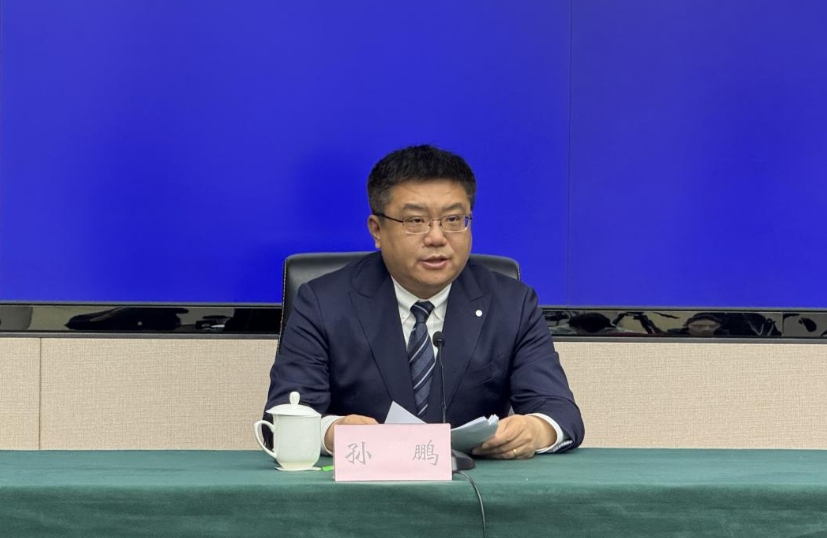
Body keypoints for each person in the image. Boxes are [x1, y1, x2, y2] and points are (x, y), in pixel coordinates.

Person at [264, 144, 584, 459]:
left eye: (453, 219)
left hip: (474, 485)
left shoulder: (512, 304)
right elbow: (283, 416)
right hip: (361, 483)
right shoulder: (323, 302)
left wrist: (534, 429)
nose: (436, 237)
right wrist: (334, 433)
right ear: (377, 230)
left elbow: (559, 412)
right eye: (416, 221)